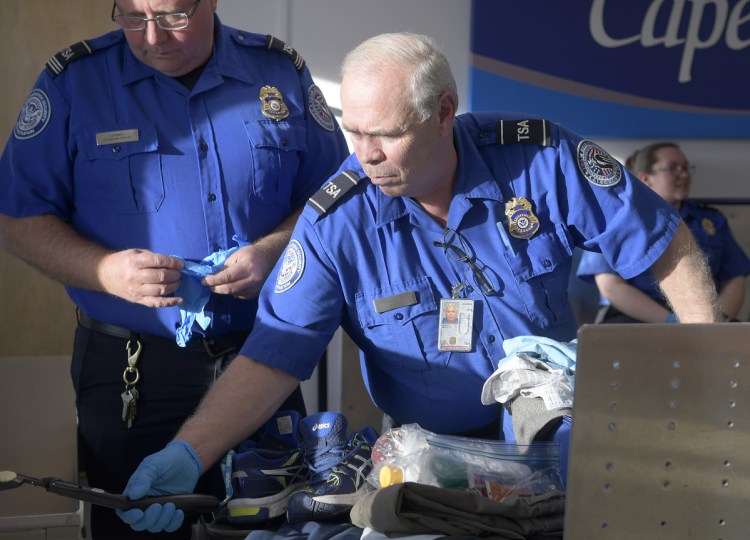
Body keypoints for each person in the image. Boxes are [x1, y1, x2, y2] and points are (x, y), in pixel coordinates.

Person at [115, 32, 722, 533]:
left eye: (386, 134)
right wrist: (189, 452)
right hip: (430, 462)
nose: (366, 154)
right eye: (354, 132)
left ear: (444, 113)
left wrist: (707, 372)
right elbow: (272, 357)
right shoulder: (335, 221)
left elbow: (662, 241)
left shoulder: (540, 158)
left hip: (558, 447)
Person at [0, 1, 349, 538]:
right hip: (130, 372)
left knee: (274, 524)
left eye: (171, 15)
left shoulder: (279, 72)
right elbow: (17, 218)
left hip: (263, 357)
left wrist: (275, 249)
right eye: (132, 15)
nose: (152, 36)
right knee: (136, 527)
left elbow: (335, 194)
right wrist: (102, 270)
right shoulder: (76, 81)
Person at [577, 142, 750, 324]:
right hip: (637, 318)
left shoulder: (711, 220)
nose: (683, 174)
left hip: (705, 317)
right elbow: (610, 286)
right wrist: (671, 322)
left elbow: (733, 279)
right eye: (672, 168)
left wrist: (716, 324)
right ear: (645, 179)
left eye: (685, 168)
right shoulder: (617, 220)